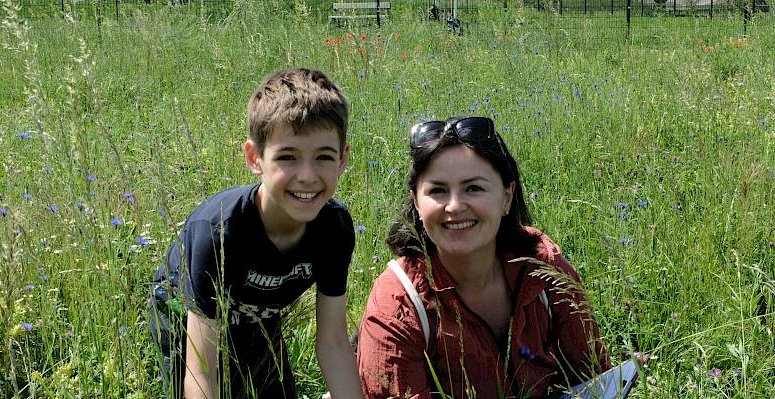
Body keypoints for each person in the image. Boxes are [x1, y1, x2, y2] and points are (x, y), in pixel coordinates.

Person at [357, 116, 611, 398]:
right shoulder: (398, 305)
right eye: (438, 191)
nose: (454, 206)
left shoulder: (544, 269)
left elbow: (594, 381)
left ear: (506, 196)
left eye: (473, 188)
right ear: (416, 202)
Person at [149, 68, 362, 399]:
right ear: (255, 157)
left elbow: (333, 343)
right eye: (287, 157)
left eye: (323, 156)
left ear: (343, 159)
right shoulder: (219, 232)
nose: (307, 176)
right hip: (186, 312)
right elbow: (200, 373)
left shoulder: (334, 228)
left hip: (258, 312)